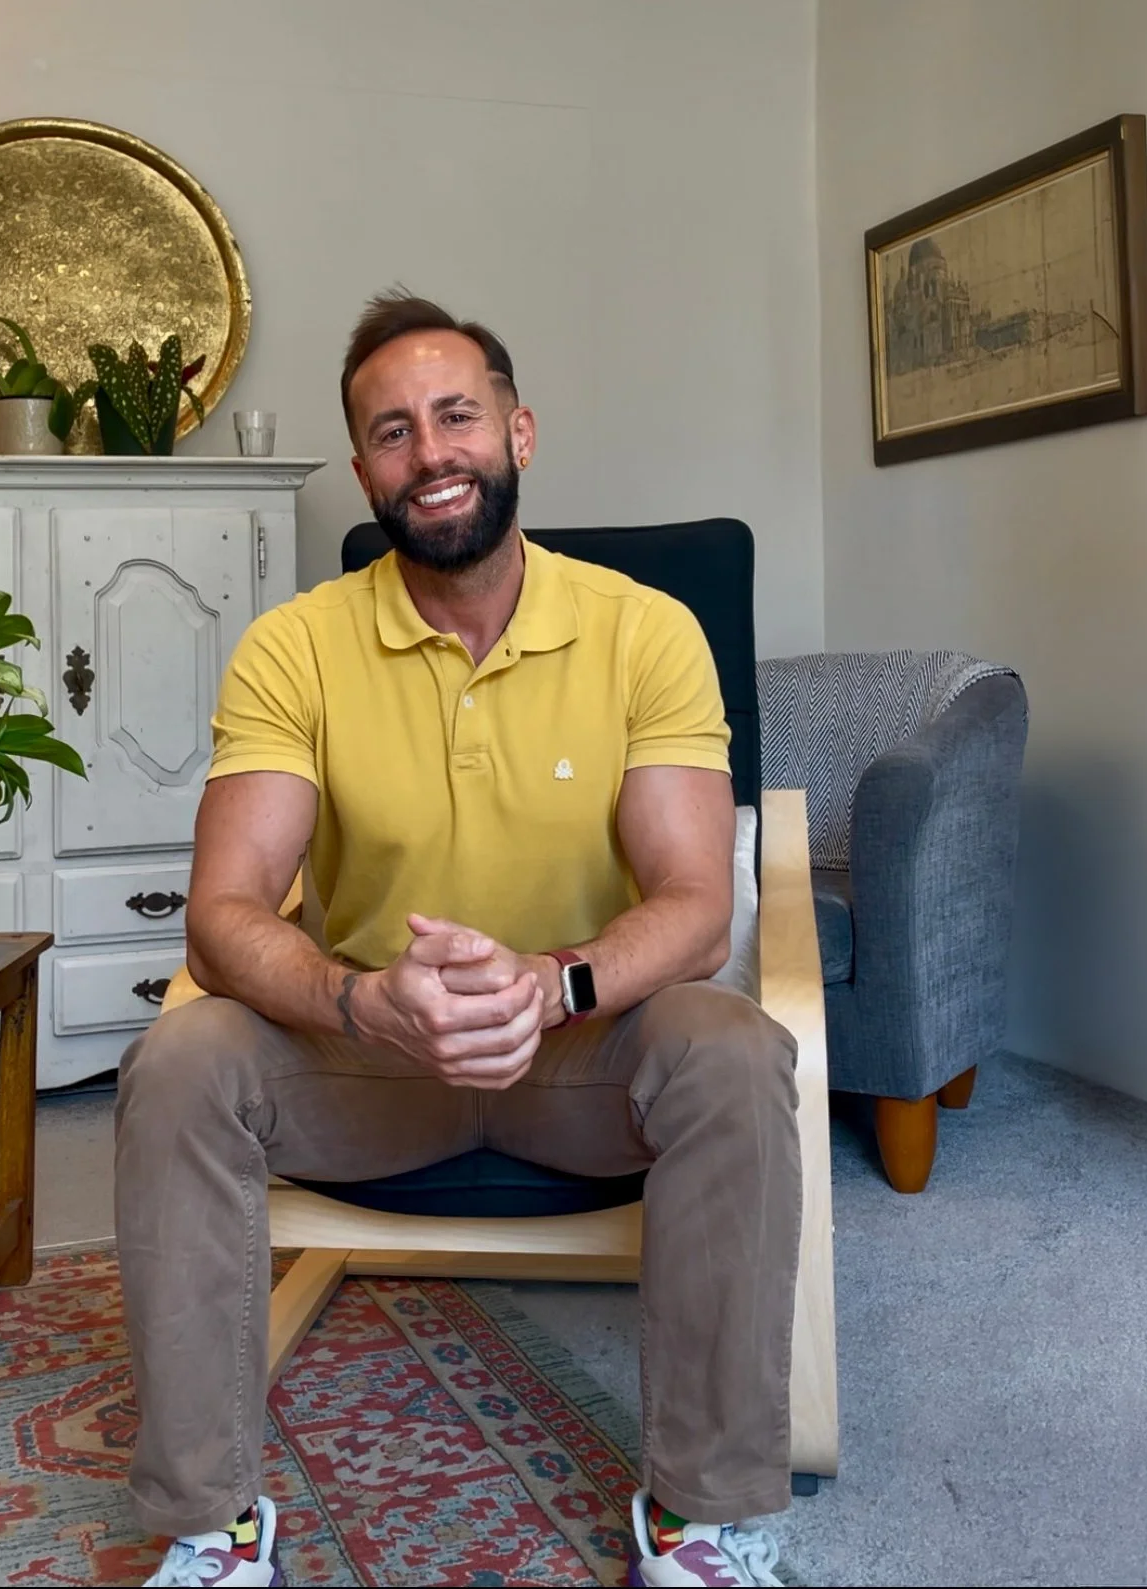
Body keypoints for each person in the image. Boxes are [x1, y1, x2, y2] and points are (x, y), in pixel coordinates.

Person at [116, 290, 799, 1589]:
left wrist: (553, 985)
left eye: (454, 416)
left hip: (585, 1053)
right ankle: (212, 1527)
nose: (428, 452)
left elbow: (695, 901)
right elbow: (223, 910)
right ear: (365, 470)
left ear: (517, 431)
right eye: (389, 432)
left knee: (731, 1047)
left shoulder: (645, 629)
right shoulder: (292, 648)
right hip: (371, 1064)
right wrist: (366, 1001)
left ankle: (699, 1517)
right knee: (182, 1058)